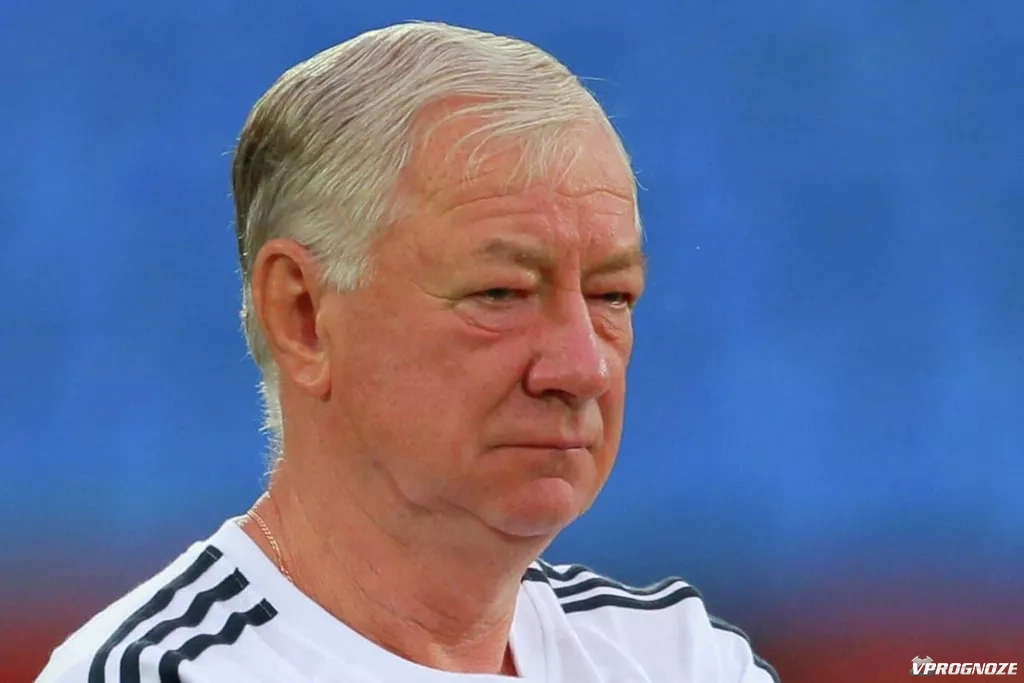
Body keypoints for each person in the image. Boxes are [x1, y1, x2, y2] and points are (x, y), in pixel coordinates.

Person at [37, 21, 779, 683]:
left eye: (612, 296)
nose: (582, 368)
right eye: (501, 293)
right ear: (303, 316)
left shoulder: (681, 658)